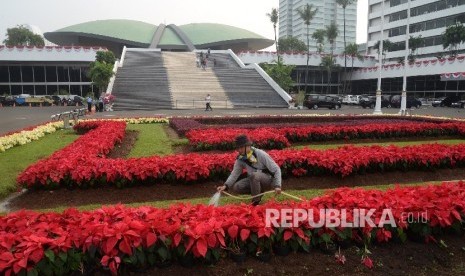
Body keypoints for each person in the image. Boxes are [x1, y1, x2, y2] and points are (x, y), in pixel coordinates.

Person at [216, 135, 282, 205]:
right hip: (253, 179)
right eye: (238, 148)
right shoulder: (240, 159)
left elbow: (276, 169)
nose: (239, 150)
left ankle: (255, 201)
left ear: (248, 146)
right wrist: (226, 186)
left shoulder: (260, 154)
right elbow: (234, 174)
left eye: (241, 147)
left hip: (267, 180)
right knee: (237, 187)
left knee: (254, 175)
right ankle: (259, 192)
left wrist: (277, 186)